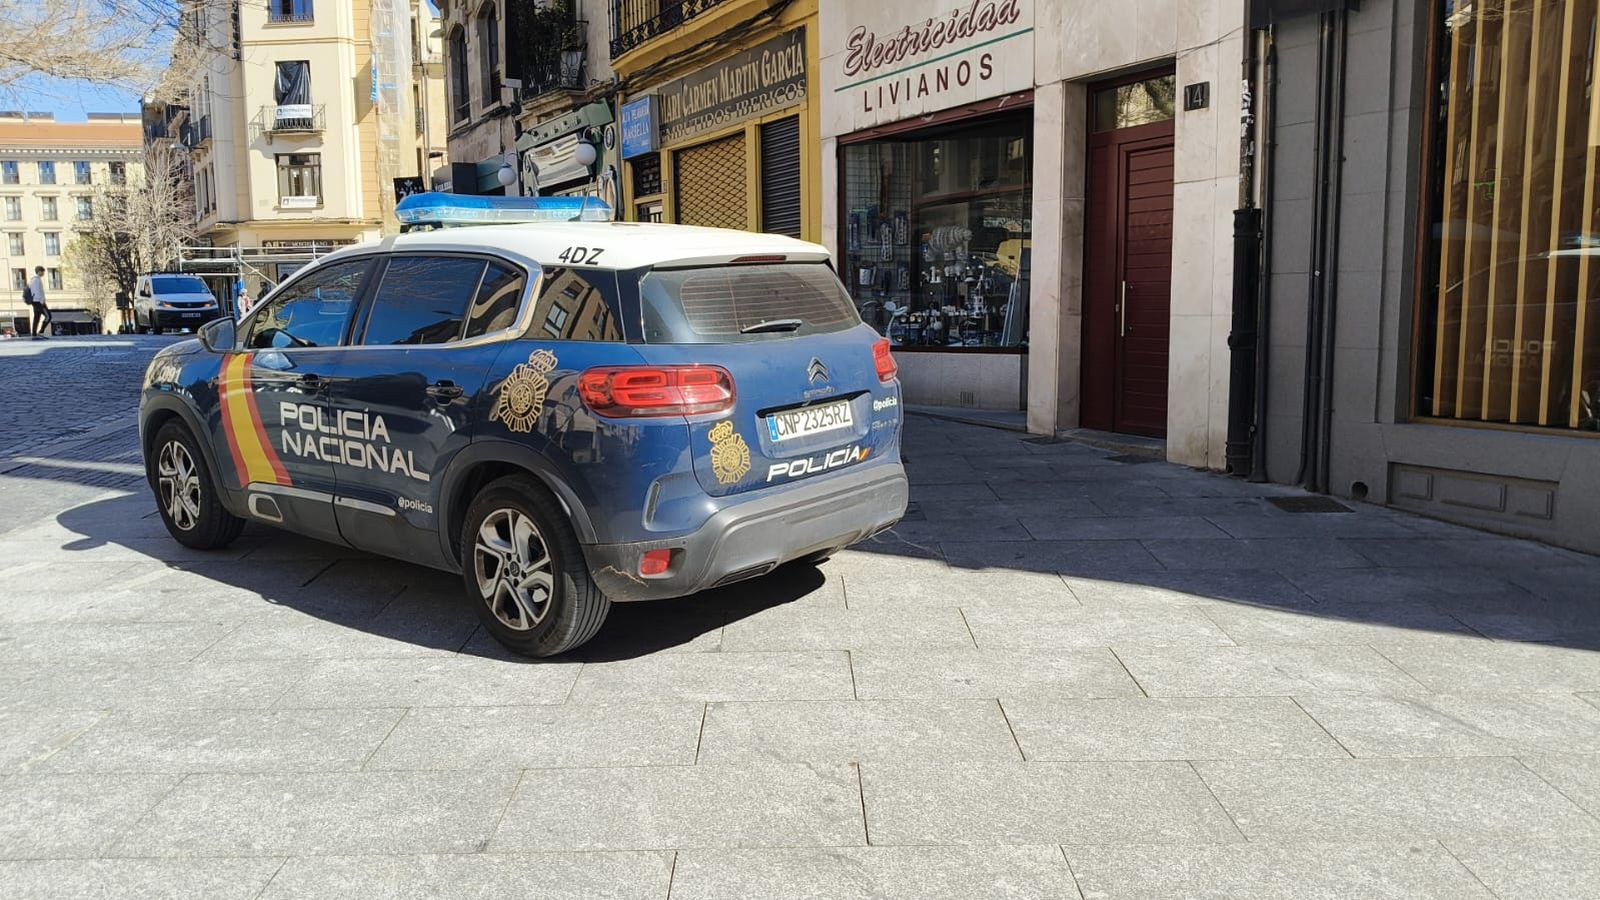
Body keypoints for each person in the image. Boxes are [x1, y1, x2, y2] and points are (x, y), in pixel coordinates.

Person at [26, 266, 50, 339]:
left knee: (37, 317)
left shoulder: (34, 279)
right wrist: (42, 302)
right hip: (38, 301)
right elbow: (37, 292)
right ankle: (40, 332)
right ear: (39, 271)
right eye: (43, 272)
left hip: (36, 301)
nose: (43, 273)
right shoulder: (36, 280)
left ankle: (34, 334)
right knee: (48, 316)